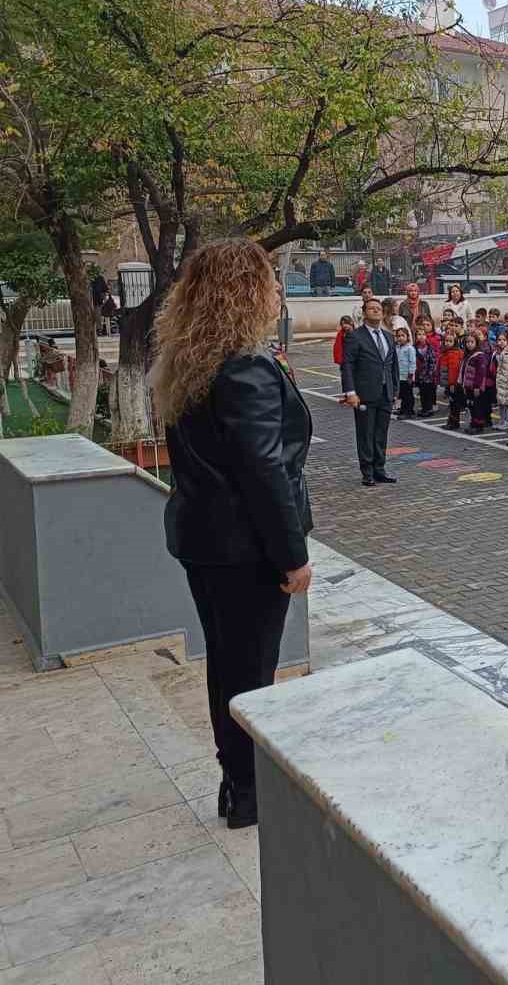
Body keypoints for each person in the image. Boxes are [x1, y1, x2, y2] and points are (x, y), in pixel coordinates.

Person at [154, 239, 313, 830]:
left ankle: (235, 784)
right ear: (246, 292)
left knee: (226, 665)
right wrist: (292, 555)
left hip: (205, 543)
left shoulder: (191, 358)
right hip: (246, 550)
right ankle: (249, 796)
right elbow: (263, 469)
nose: (277, 291)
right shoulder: (244, 363)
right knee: (251, 674)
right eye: (270, 281)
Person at [340, 296, 400, 486]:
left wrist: (395, 390)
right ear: (364, 313)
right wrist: (350, 392)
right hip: (364, 393)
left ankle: (380, 469)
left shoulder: (389, 336)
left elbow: (393, 366)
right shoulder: (355, 336)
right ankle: (367, 472)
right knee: (365, 433)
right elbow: (347, 365)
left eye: (378, 308)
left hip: (385, 393)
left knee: (381, 433)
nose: (376, 310)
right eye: (371, 308)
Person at [393, 325, 417, 418]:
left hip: (407, 376)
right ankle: (403, 409)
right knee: (402, 394)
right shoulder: (397, 348)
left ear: (407, 337)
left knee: (408, 394)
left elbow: (412, 362)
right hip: (399, 376)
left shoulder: (410, 348)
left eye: (403, 335)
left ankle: (409, 411)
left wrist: (411, 375)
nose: (400, 338)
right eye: (398, 336)